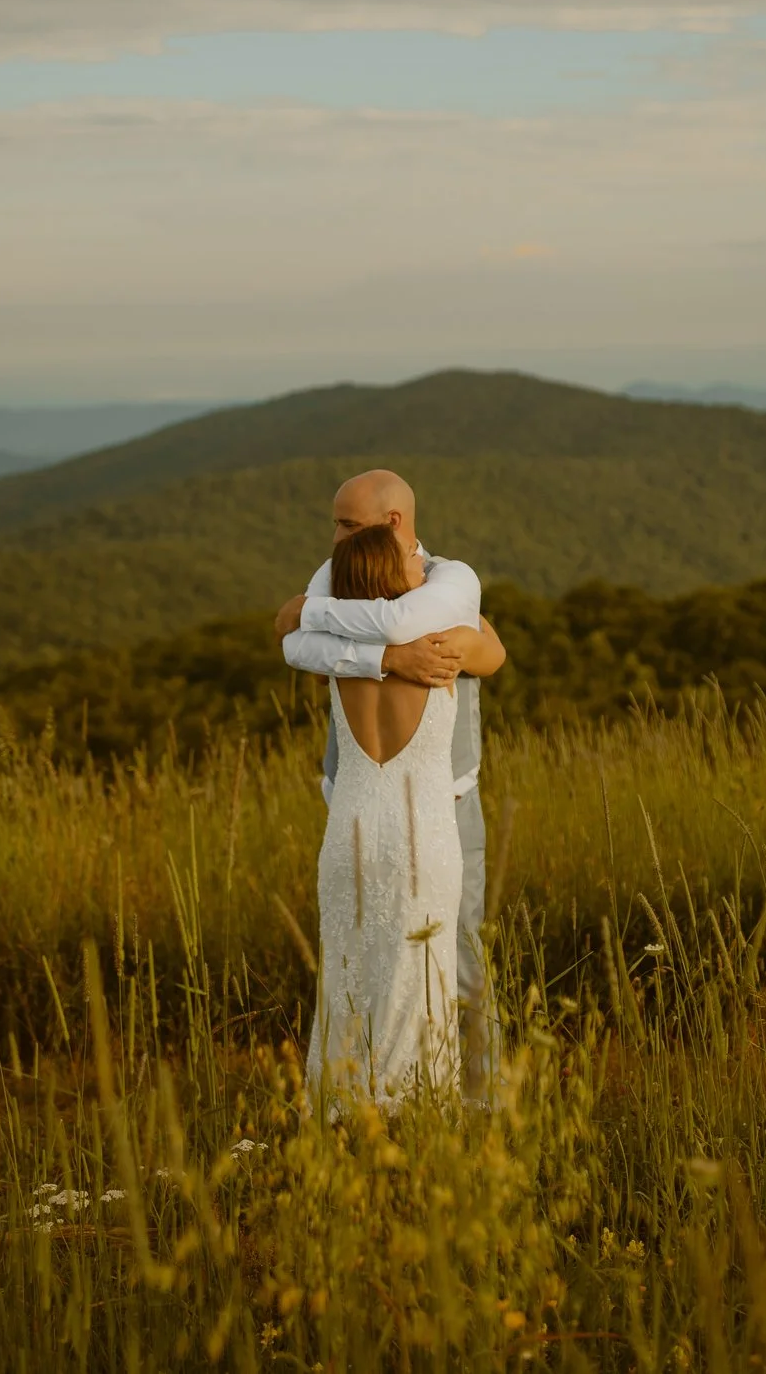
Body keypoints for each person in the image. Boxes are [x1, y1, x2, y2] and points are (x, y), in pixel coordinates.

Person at [276, 469, 506, 1101]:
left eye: (347, 526)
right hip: (360, 806)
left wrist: (337, 629)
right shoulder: (340, 586)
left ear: (392, 525)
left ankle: (476, 1099)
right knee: (373, 970)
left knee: (454, 970)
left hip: (441, 805)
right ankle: (421, 1106)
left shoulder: (447, 592)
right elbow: (290, 637)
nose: (335, 539)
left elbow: (488, 651)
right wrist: (385, 658)